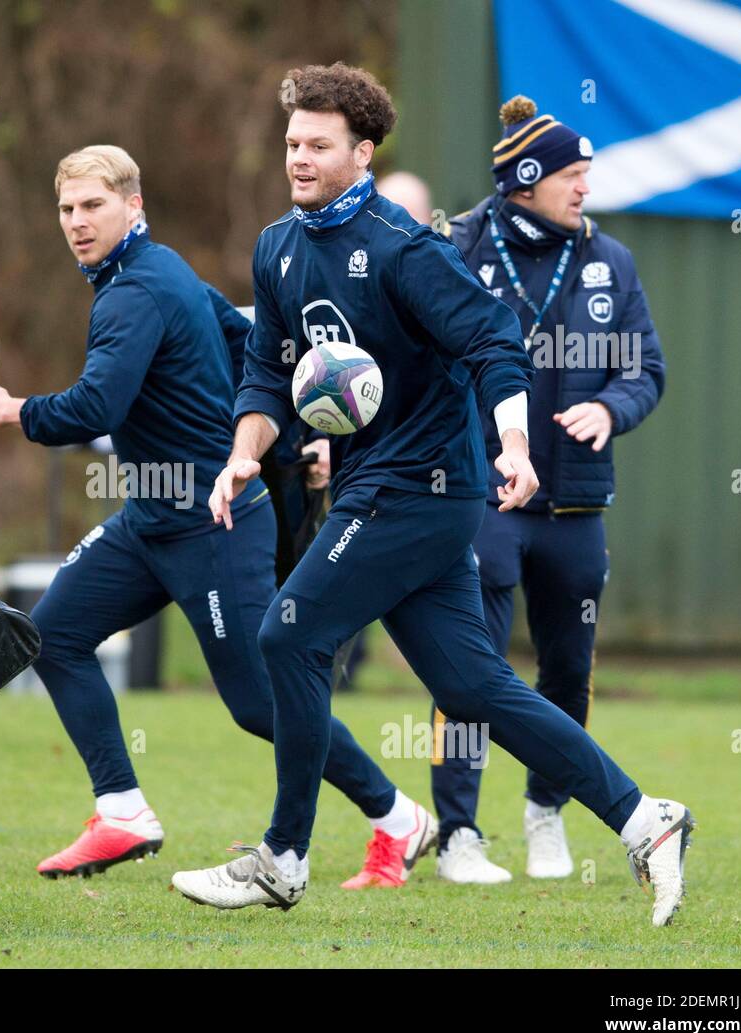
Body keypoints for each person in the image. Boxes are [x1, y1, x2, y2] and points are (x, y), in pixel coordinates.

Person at [171, 62, 693, 928]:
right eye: (292, 143)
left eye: (318, 145)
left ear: (363, 150)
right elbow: (265, 372)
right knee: (476, 684)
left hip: (427, 487)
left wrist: (515, 445)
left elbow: (495, 347)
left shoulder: (408, 248)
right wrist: (240, 454)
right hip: (379, 484)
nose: (298, 158)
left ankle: (283, 856)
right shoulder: (278, 248)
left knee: (287, 632)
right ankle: (647, 820)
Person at [0, 145, 433, 882]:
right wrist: (297, 430)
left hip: (215, 525)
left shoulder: (134, 293)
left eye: (93, 206)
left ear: (133, 206)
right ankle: (121, 810)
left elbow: (95, 406)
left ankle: (398, 818)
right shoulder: (158, 270)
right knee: (52, 635)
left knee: (258, 703)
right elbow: (252, 342)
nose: (78, 223)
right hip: (150, 518)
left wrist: (9, 408)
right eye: (66, 209)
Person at [430, 95, 665, 884]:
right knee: (470, 664)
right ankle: (458, 831)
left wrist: (611, 405)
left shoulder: (611, 260)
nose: (584, 187)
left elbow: (647, 370)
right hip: (485, 493)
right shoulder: (459, 245)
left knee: (567, 668)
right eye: (571, 173)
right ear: (525, 181)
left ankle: (545, 813)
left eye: (587, 173)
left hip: (576, 503)